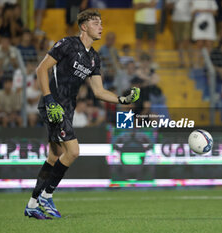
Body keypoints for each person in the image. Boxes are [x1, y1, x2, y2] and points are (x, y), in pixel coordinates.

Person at [24, 9, 140, 220]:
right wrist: (49, 99)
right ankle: (47, 195)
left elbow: (99, 91)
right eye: (96, 23)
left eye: (101, 23)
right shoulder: (67, 44)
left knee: (54, 156)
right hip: (54, 105)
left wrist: (123, 100)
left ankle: (32, 204)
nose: (101, 27)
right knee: (74, 151)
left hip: (67, 108)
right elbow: (42, 69)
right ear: (84, 26)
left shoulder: (94, 57)